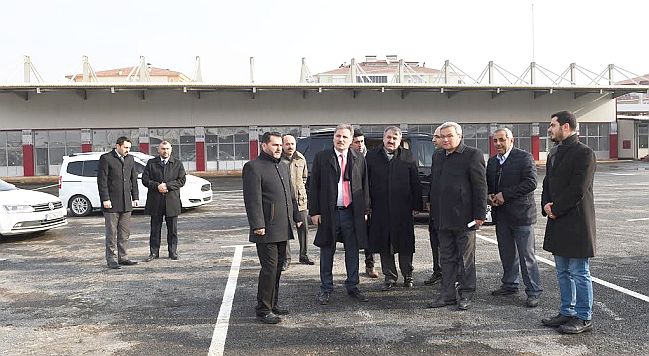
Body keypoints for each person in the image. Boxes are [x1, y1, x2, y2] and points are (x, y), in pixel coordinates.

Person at [540, 111, 596, 334]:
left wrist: (556, 209)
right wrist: (546, 205)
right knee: (562, 270)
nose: (549, 129)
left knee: (579, 271)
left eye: (552, 125)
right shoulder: (554, 153)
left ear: (566, 127)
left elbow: (578, 189)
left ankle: (584, 317)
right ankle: (567, 311)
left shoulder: (585, 153)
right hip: (557, 220)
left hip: (576, 222)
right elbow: (547, 183)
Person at [243, 131, 302, 324]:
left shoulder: (282, 166)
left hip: (282, 228)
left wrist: (296, 215)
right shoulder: (253, 167)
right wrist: (257, 224)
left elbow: (289, 195)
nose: (279, 148)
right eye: (275, 145)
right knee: (269, 269)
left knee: (277, 269)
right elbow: (252, 200)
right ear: (264, 146)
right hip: (266, 228)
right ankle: (263, 310)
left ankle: (273, 304)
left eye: (280, 145)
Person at [427, 122, 487, 311]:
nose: (445, 139)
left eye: (449, 136)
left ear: (459, 136)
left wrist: (480, 215)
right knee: (446, 258)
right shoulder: (438, 156)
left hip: (465, 218)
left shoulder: (472, 155)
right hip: (443, 218)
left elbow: (480, 187)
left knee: (465, 259)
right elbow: (434, 184)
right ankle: (447, 294)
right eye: (442, 136)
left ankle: (466, 293)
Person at [309, 124, 371, 305]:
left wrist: (365, 210)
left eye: (345, 137)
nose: (341, 139)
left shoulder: (358, 158)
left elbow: (365, 185)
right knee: (327, 250)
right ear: (333, 138)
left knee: (352, 251)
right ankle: (325, 288)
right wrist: (315, 211)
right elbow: (314, 186)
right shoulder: (322, 157)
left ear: (351, 140)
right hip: (329, 213)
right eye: (338, 136)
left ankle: (352, 286)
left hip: (351, 212)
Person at [486, 128, 542, 307]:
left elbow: (531, 182)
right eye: (495, 141)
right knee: (507, 253)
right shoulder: (493, 161)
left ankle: (533, 291)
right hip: (502, 216)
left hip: (522, 216)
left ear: (511, 140)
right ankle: (510, 284)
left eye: (502, 140)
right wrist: (490, 195)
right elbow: (488, 184)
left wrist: (505, 195)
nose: (498, 144)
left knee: (527, 256)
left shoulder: (524, 157)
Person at [366, 126, 422, 290]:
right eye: (389, 137)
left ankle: (408, 275)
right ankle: (389, 277)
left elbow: (415, 182)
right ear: (383, 138)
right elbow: (366, 183)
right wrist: (367, 206)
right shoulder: (372, 156)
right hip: (380, 209)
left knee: (405, 244)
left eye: (395, 138)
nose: (391, 141)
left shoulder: (408, 156)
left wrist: (416, 205)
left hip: (402, 209)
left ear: (400, 140)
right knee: (384, 244)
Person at [97, 136, 139, 270]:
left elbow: (133, 179)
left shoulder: (130, 159)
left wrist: (135, 197)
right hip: (111, 203)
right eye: (125, 147)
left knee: (124, 233)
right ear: (118, 146)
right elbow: (102, 181)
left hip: (126, 202)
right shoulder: (106, 158)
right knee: (111, 233)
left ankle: (123, 257)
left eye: (129, 148)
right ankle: (111, 259)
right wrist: (105, 199)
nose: (128, 150)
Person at [142, 141, 186, 262]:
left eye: (167, 149)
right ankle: (154, 252)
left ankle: (173, 252)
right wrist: (157, 186)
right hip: (155, 201)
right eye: (163, 149)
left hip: (171, 201)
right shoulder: (151, 163)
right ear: (158, 150)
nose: (165, 151)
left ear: (171, 149)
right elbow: (145, 180)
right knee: (155, 229)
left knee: (173, 229)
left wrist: (167, 186)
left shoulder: (177, 163)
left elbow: (181, 180)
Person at [281, 134, 315, 268]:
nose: (290, 146)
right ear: (283, 145)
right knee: (285, 230)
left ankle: (304, 254)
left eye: (292, 144)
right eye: (287, 144)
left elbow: (304, 177)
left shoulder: (301, 158)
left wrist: (300, 190)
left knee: (304, 229)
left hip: (300, 201)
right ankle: (286, 258)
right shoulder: (278, 160)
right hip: (284, 201)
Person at [351, 128, 379, 279]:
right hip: (355, 203)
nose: (360, 145)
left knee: (370, 235)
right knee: (354, 237)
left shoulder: (372, 157)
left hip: (372, 202)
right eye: (356, 142)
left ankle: (370, 265)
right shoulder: (349, 158)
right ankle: (353, 270)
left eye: (362, 141)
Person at [424, 125, 443, 286]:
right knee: (434, 241)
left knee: (449, 246)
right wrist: (429, 199)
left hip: (450, 212)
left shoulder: (465, 156)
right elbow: (433, 181)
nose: (433, 140)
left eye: (436, 137)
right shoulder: (437, 156)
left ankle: (454, 277)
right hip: (435, 210)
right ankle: (438, 271)